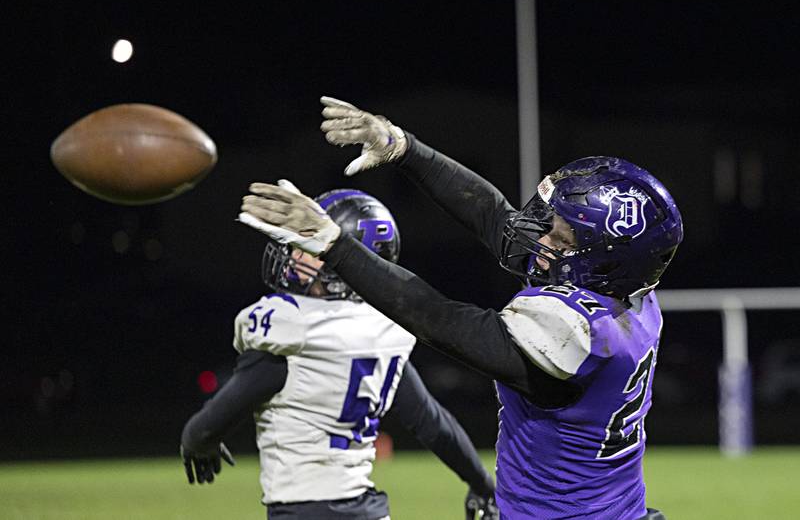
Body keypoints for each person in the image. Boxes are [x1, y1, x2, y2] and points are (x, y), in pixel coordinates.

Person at [237, 96, 684, 520]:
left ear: (603, 261)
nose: (543, 240)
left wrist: (332, 244)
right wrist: (402, 147)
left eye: (562, 238)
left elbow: (441, 320)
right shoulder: (628, 296)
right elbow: (494, 216)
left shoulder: (582, 334)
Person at [181, 186, 497, 520]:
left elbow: (211, 423)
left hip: (302, 510)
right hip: (368, 511)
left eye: (309, 247)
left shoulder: (294, 327)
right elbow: (435, 424)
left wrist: (197, 441)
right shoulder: (384, 332)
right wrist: (482, 484)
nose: (296, 255)